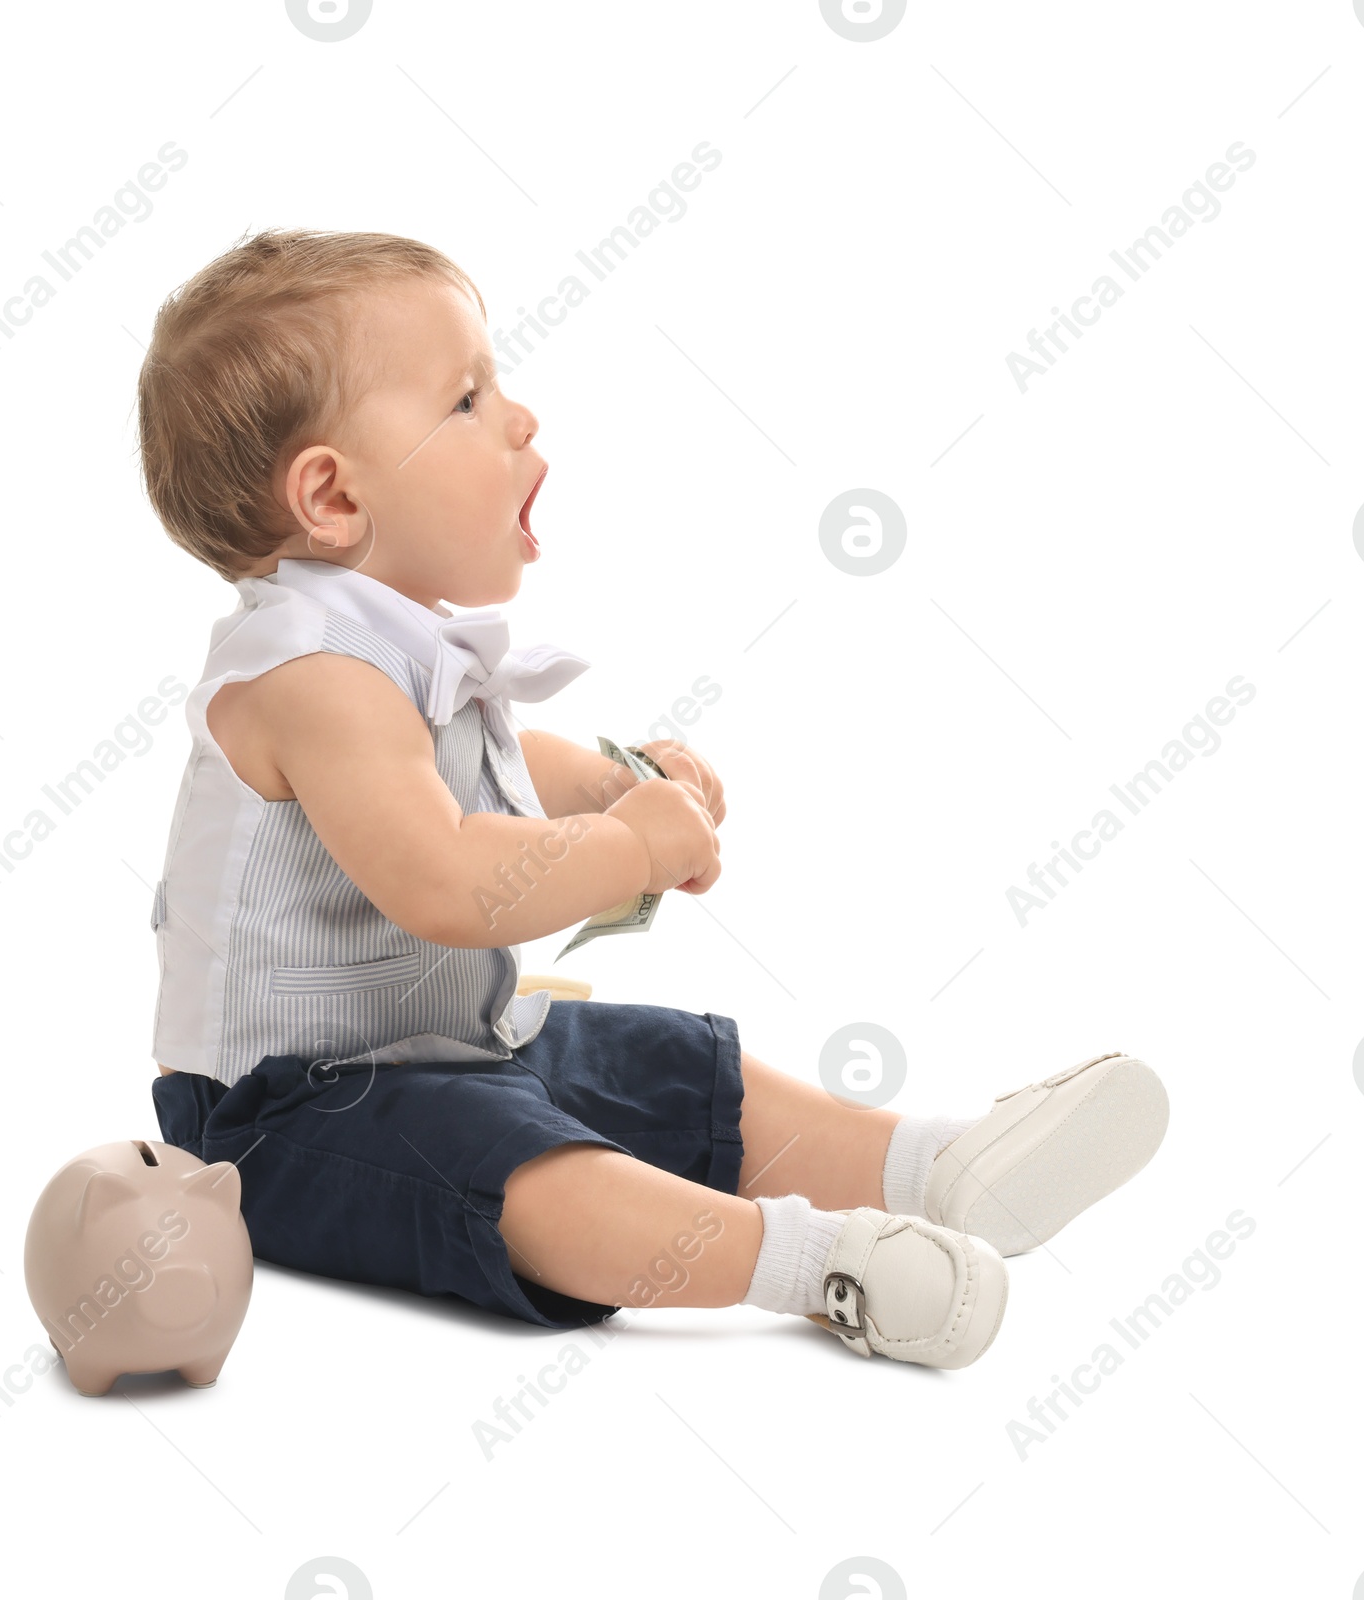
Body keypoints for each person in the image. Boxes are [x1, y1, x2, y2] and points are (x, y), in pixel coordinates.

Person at [137, 228, 1168, 1370]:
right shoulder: (306, 677)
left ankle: (932, 1166)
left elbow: (474, 772)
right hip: (278, 1118)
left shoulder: (386, 661)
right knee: (516, 1164)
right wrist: (624, 847)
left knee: (655, 1066)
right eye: (468, 399)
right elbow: (445, 879)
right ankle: (815, 1262)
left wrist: (605, 779)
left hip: (446, 1041)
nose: (519, 418)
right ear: (332, 495)